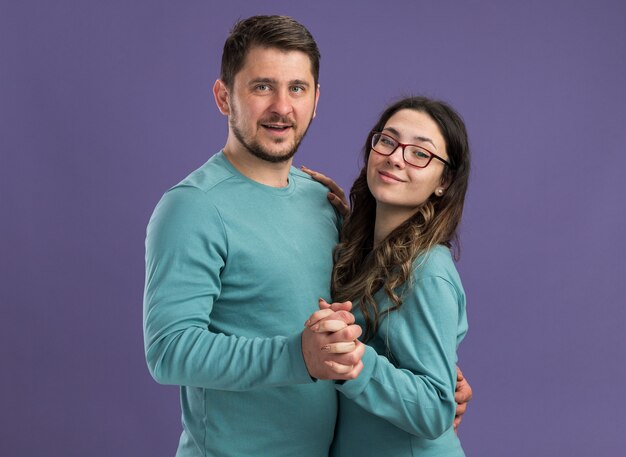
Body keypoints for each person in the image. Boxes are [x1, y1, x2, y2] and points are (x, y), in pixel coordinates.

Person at [143, 15, 471, 456]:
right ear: (224, 97)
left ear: (315, 100)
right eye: (262, 87)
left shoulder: (323, 203)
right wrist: (299, 356)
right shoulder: (192, 208)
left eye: (296, 88)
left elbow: (364, 319)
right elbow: (169, 351)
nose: (282, 106)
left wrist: (437, 381)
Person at [305, 96, 472, 455]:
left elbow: (435, 411)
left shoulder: (427, 272)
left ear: (443, 181)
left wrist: (351, 358)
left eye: (419, 154)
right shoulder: (367, 251)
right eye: (387, 141)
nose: (396, 157)